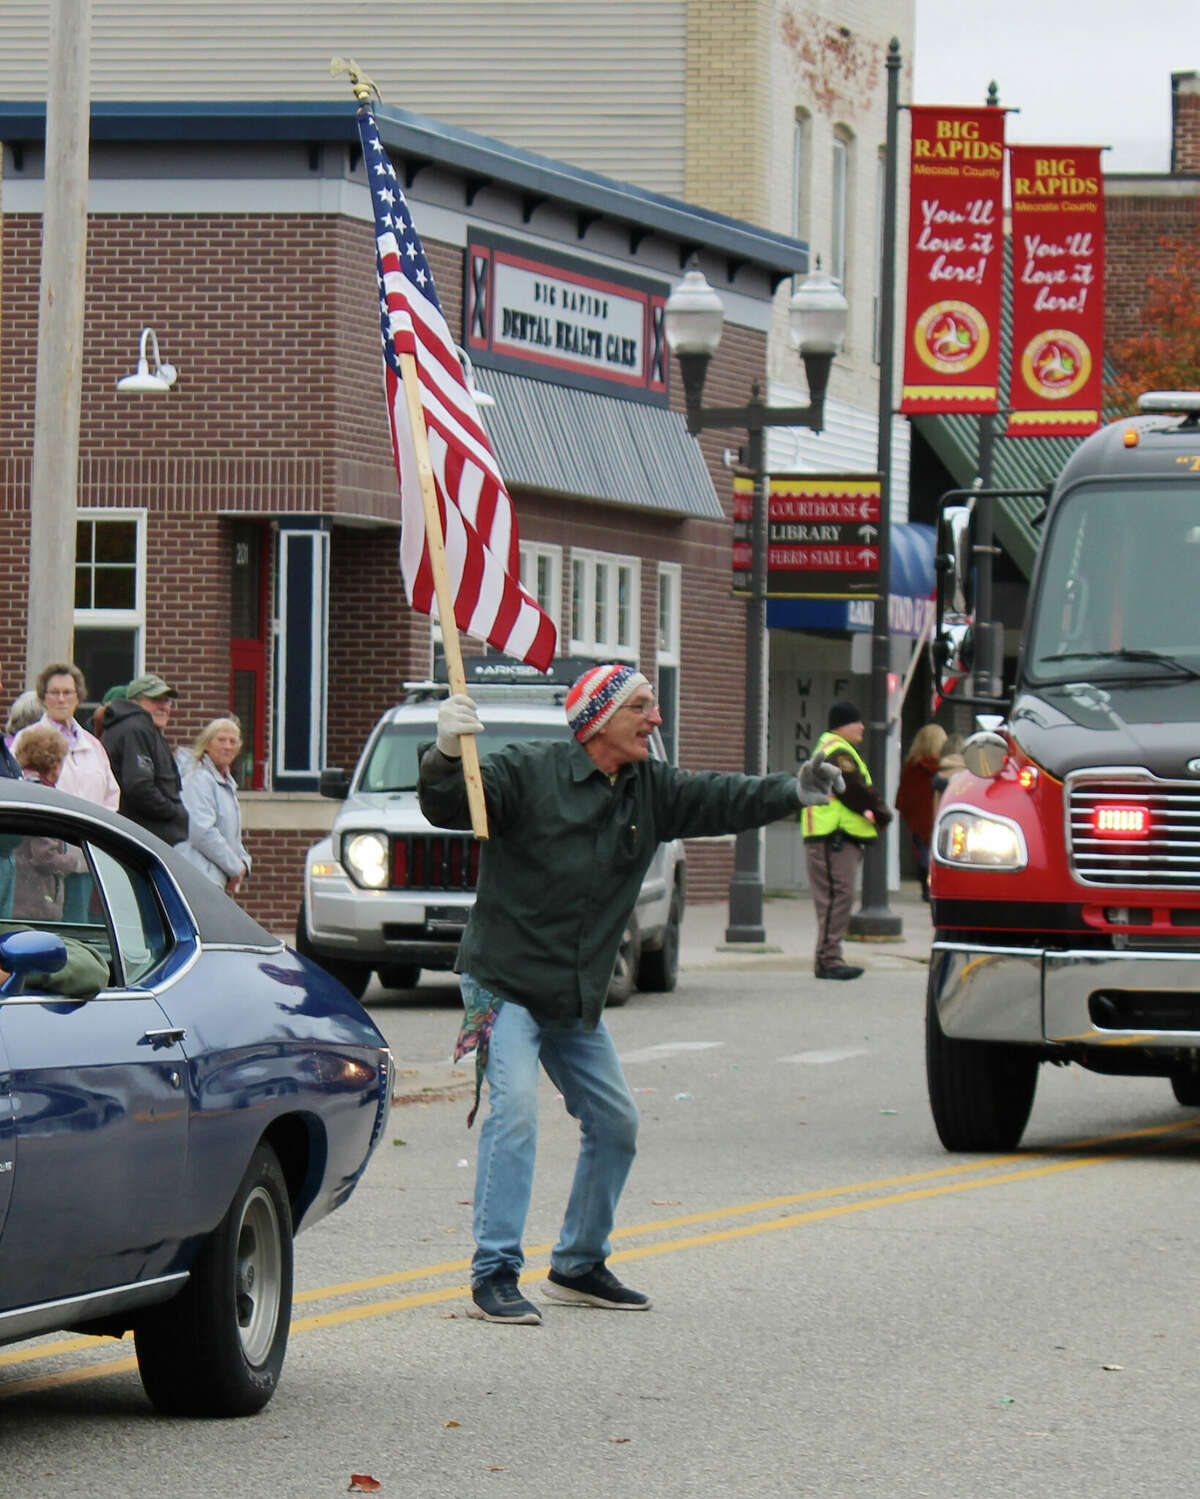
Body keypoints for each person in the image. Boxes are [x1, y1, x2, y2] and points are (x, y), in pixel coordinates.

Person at [418, 662, 843, 1326]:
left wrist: (794, 789)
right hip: (503, 981)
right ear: (598, 719)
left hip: (572, 989)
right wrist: (444, 751)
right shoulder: (528, 771)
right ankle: (494, 1271)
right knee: (517, 1114)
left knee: (616, 1121)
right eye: (642, 706)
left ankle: (579, 1263)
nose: (656, 718)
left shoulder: (650, 788)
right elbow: (448, 804)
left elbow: (723, 797)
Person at [801, 700, 894, 982]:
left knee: (835, 898)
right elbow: (854, 790)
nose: (862, 726)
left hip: (834, 837)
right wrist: (882, 814)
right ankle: (829, 959)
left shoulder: (834, 749)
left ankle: (828, 957)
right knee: (837, 897)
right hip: (833, 838)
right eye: (857, 721)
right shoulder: (837, 751)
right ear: (843, 724)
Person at [99, 673, 188, 846]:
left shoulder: (137, 727)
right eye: (155, 700)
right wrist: (174, 812)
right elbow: (139, 786)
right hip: (141, 842)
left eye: (167, 701)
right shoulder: (136, 729)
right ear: (134, 702)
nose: (163, 707)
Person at [178, 717, 251, 895]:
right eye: (221, 740)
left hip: (215, 879)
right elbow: (201, 832)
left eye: (233, 741)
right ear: (207, 744)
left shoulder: (226, 784)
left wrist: (244, 864)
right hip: (198, 878)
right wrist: (235, 867)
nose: (227, 746)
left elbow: (231, 836)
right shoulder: (198, 778)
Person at [11, 725, 77, 919]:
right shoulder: (44, 798)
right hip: (35, 905)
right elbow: (44, 857)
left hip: (17, 898)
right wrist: (74, 861)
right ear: (55, 764)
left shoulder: (19, 787)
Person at [895, 722, 947, 902]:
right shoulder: (946, 768)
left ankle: (926, 887)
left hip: (918, 819)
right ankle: (935, 886)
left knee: (923, 853)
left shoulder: (912, 765)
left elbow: (905, 795)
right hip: (940, 817)